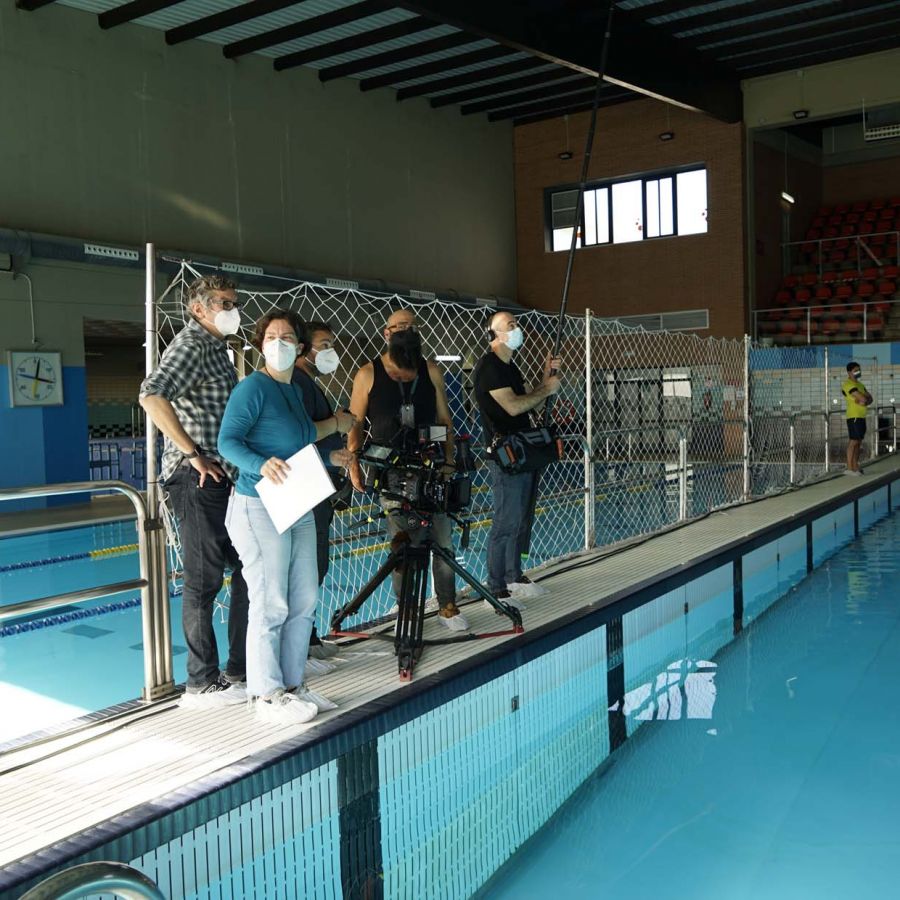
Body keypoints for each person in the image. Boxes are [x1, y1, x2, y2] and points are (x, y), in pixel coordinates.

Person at [218, 309, 355, 725]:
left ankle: (294, 684)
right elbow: (227, 441)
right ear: (261, 344)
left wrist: (331, 455)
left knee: (304, 597)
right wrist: (261, 465)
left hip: (296, 500)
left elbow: (302, 437)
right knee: (270, 599)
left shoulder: (294, 389)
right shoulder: (252, 388)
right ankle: (266, 692)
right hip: (258, 504)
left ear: (299, 347)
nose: (279, 342)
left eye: (287, 337)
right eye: (272, 336)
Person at [139, 274, 249, 708]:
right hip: (197, 480)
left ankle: (238, 668)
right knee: (204, 582)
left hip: (223, 479)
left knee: (246, 568)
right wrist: (192, 453)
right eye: (224, 302)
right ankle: (201, 682)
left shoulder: (217, 349)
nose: (232, 309)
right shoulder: (191, 344)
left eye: (233, 302)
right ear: (199, 308)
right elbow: (151, 395)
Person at [346, 308, 468, 631]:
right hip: (391, 473)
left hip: (431, 468)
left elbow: (444, 421)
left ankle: (448, 606)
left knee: (442, 540)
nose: (403, 331)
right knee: (402, 544)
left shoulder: (431, 371)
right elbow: (356, 423)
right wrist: (353, 462)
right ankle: (408, 609)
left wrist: (449, 459)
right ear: (386, 333)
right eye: (397, 326)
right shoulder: (368, 374)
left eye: (409, 327)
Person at [472, 310, 561, 605]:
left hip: (522, 452)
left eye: (516, 323)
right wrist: (545, 390)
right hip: (505, 457)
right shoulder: (490, 367)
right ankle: (495, 587)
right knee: (506, 521)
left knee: (520, 520)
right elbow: (512, 407)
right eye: (511, 325)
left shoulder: (510, 367)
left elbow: (525, 402)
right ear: (496, 334)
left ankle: (513, 576)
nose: (516, 328)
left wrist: (544, 381)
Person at [292, 320, 346, 659]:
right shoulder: (298, 383)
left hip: (317, 485)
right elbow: (301, 434)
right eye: (323, 345)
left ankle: (307, 639)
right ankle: (300, 647)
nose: (330, 352)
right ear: (303, 349)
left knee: (315, 566)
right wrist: (339, 425)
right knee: (308, 566)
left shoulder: (307, 383)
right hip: (306, 486)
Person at [842, 360, 872, 476]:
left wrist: (863, 400)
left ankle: (855, 466)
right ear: (849, 372)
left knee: (859, 442)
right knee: (853, 441)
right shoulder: (848, 385)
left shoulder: (860, 385)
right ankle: (849, 468)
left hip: (861, 416)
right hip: (853, 416)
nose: (858, 372)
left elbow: (870, 399)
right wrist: (864, 399)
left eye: (859, 370)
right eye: (856, 370)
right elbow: (865, 398)